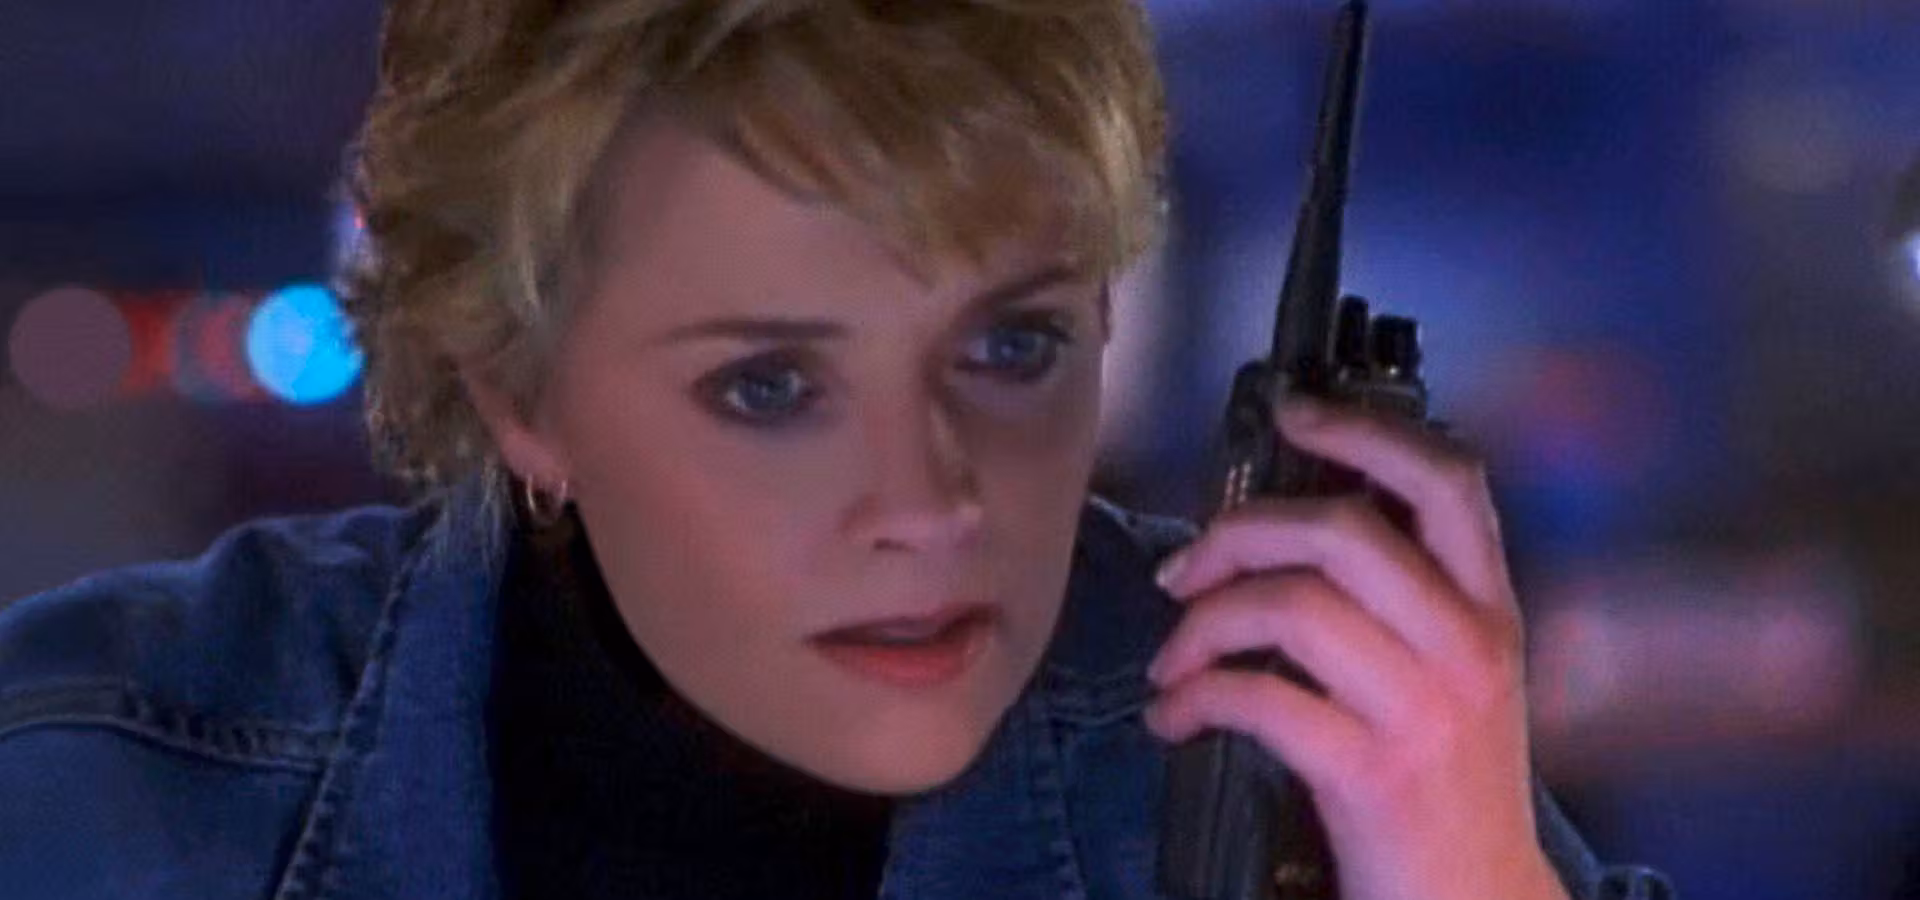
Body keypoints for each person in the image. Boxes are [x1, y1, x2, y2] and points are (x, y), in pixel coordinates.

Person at [0, 1, 1672, 898]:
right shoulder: (95, 792)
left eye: (1010, 347)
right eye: (771, 388)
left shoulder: (1295, 774)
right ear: (520, 394)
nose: (931, 501)